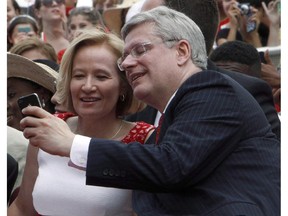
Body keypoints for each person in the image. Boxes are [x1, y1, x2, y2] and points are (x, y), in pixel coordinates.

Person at [16, 6, 279, 215]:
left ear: (182, 51)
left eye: (140, 50)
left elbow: (171, 166)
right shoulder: (175, 110)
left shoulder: (211, 89)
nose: (128, 63)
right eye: (125, 56)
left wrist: (71, 144)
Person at [8, 29, 154, 216]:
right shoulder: (47, 128)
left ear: (123, 85)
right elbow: (22, 207)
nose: (87, 86)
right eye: (79, 76)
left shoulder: (145, 138)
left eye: (101, 76)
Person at [131, 0, 280, 141]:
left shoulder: (245, 92)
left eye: (147, 22)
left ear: (182, 47)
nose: (126, 63)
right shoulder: (139, 98)